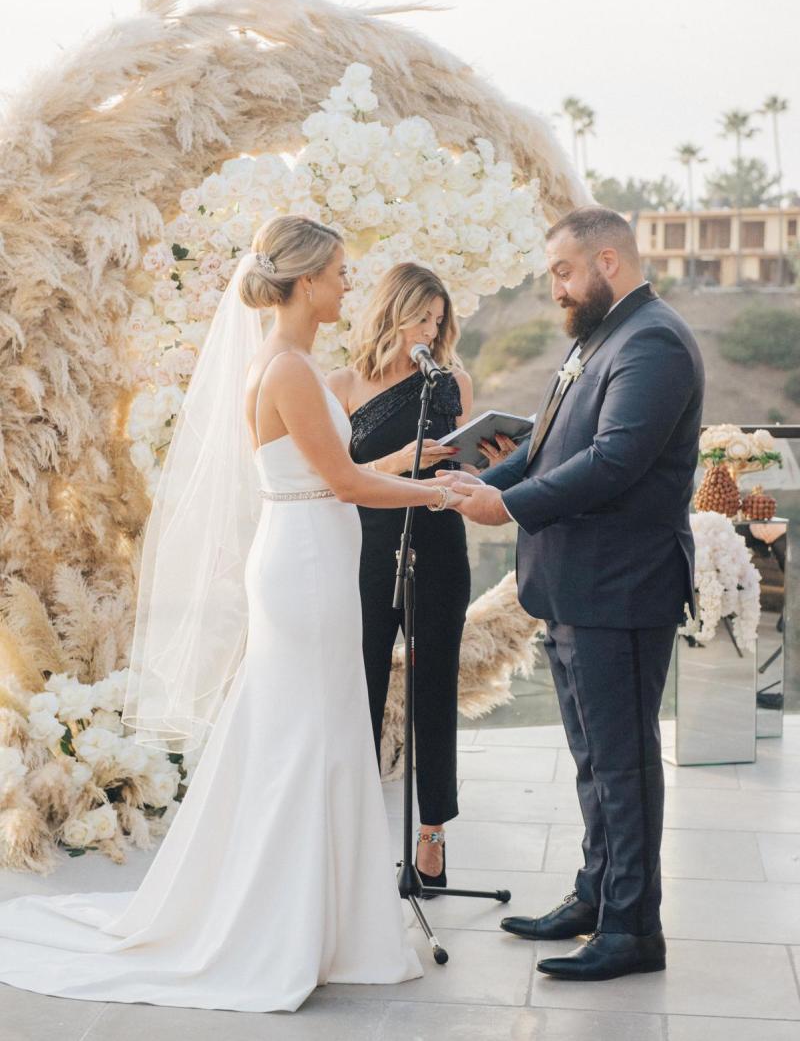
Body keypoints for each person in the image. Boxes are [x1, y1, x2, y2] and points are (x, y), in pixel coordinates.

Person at [0, 216, 468, 1012]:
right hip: (309, 563)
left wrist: (407, 466)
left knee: (313, 733)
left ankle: (324, 921)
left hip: (309, 551)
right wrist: (437, 490)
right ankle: (284, 924)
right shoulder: (286, 368)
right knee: (308, 737)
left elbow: (334, 468)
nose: (351, 285)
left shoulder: (289, 362)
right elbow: (345, 485)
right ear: (306, 280)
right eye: (341, 272)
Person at [439, 207, 704, 981]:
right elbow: (548, 447)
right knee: (593, 760)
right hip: (575, 586)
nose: (554, 287)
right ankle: (596, 896)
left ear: (609, 261)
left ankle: (633, 929)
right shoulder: (597, 340)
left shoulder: (651, 340)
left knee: (624, 764)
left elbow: (616, 461)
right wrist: (476, 484)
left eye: (563, 271)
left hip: (622, 589)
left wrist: (508, 507)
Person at [328, 262, 515, 894]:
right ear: (390, 311)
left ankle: (431, 836)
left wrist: (495, 466)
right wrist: (397, 462)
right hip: (368, 551)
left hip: (439, 548)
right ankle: (346, 835)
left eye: (440, 321)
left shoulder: (452, 381)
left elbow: (467, 477)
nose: (432, 332)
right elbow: (332, 483)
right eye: (422, 317)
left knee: (436, 693)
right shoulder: (343, 384)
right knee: (360, 691)